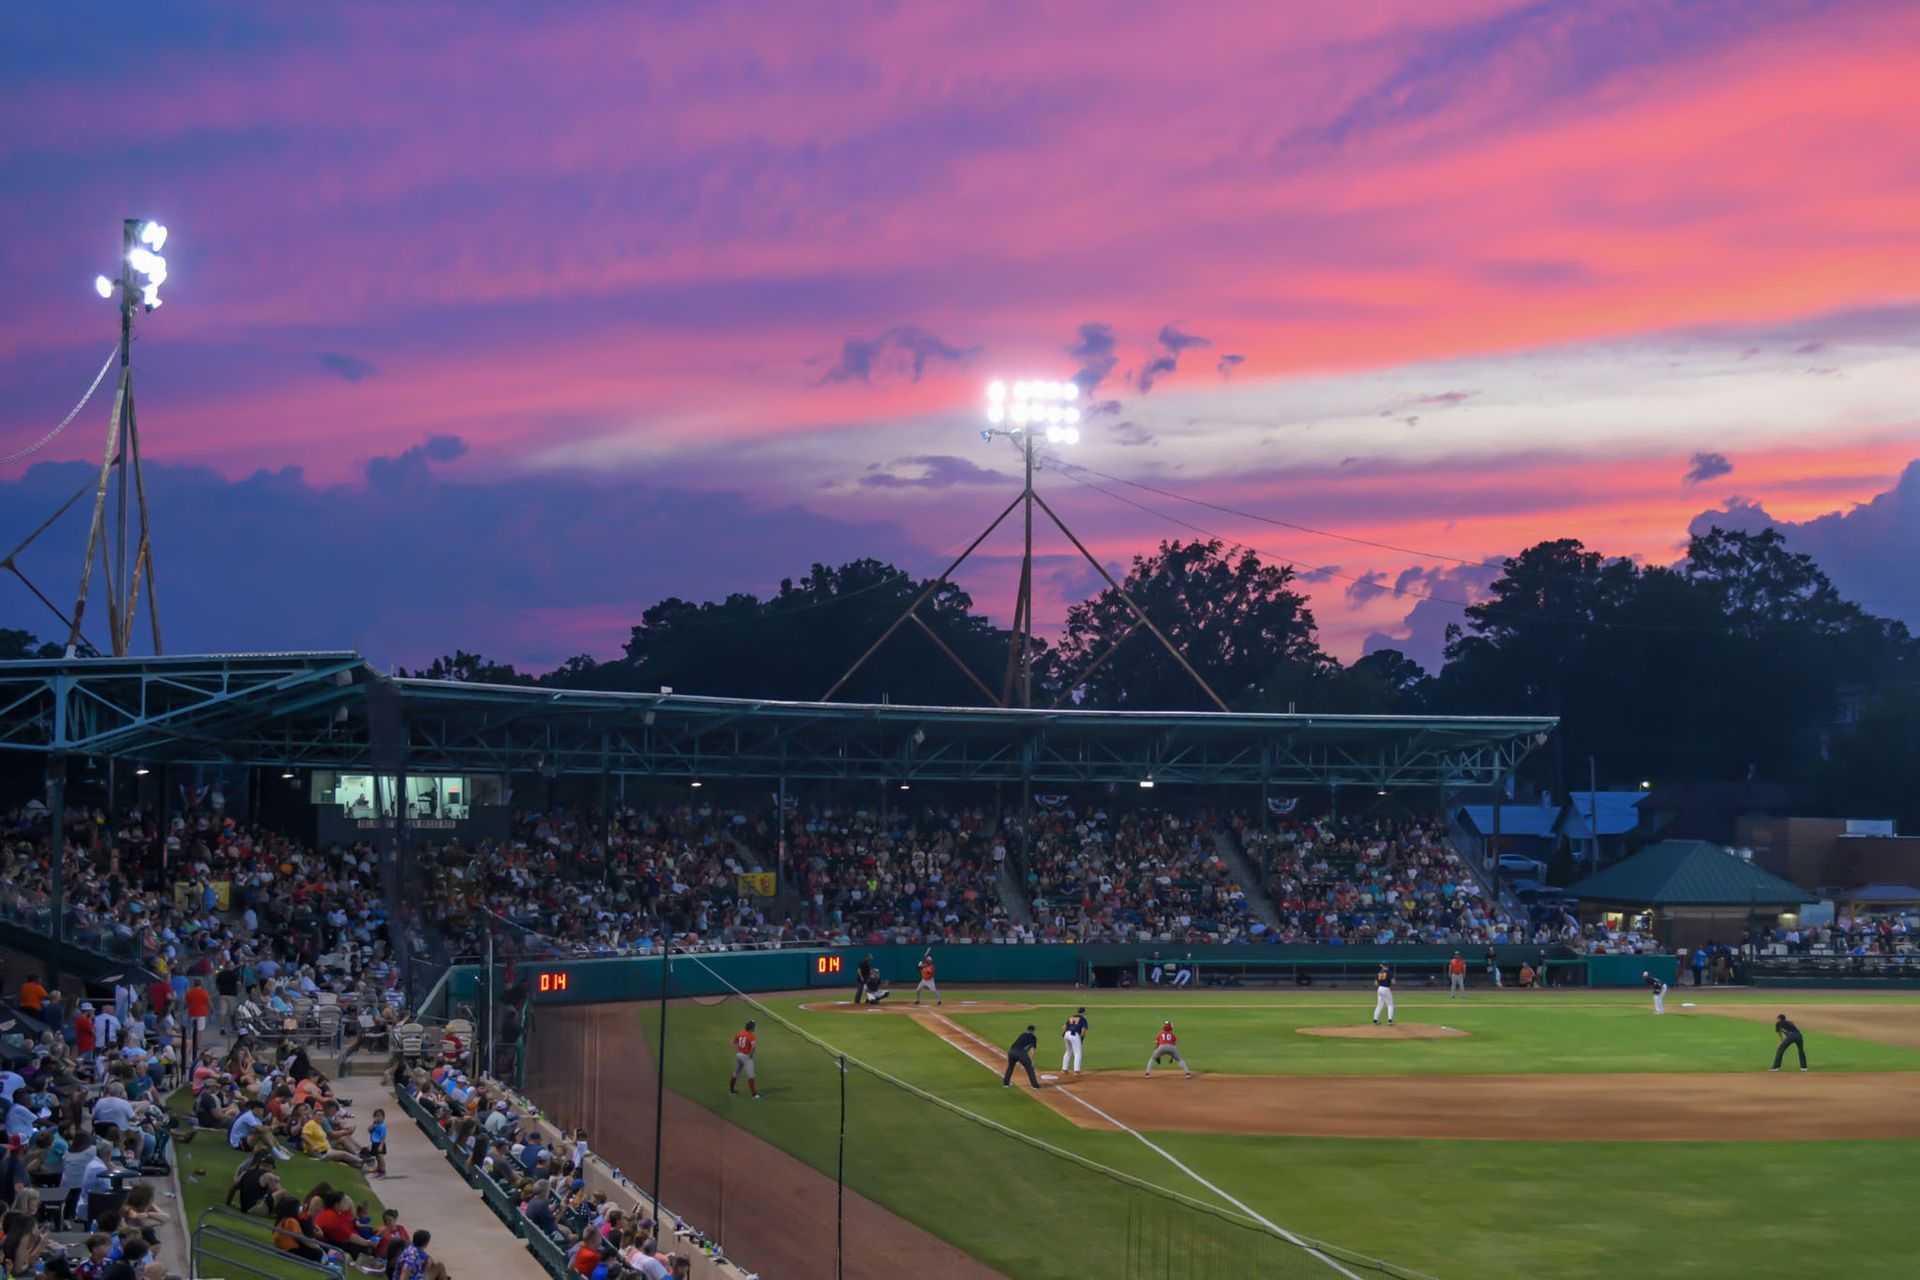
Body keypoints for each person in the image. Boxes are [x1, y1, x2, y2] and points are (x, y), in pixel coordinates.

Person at [1003, 1024, 1042, 1089]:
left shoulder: (1022, 1034)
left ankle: (1006, 1083)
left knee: (1010, 1067)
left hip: (1011, 1051)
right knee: (1030, 1068)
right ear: (1033, 1031)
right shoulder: (1033, 1037)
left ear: (1027, 1029)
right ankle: (1035, 1085)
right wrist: (1032, 1060)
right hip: (1020, 1053)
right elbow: (1033, 1049)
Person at [729, 1019, 759, 1100]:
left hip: (739, 1055)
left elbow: (732, 1041)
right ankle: (754, 1094)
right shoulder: (751, 1036)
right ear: (751, 1027)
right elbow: (753, 1047)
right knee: (751, 1075)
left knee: (735, 1073)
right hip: (746, 1056)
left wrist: (737, 1050)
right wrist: (750, 1056)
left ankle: (731, 1090)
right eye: (754, 1026)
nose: (755, 1027)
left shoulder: (740, 1033)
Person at [1062, 1006, 1089, 1074]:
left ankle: (1064, 1069)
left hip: (1066, 1034)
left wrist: (1064, 1033)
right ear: (1084, 1012)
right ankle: (1076, 1071)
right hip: (1074, 1035)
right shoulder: (1083, 1019)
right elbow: (1083, 1030)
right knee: (1077, 1053)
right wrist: (1081, 1039)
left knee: (1068, 1051)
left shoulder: (1071, 1017)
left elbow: (1064, 1026)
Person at [366, 1107, 389, 1178]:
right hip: (374, 1143)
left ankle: (383, 1171)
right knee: (377, 1158)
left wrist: (381, 1145)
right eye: (376, 1116)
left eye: (379, 1116)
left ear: (383, 1117)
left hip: (379, 1143)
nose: (378, 1117)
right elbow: (369, 1130)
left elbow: (383, 1136)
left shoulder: (383, 1126)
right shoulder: (375, 1125)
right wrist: (373, 1124)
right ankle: (379, 1171)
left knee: (380, 1157)